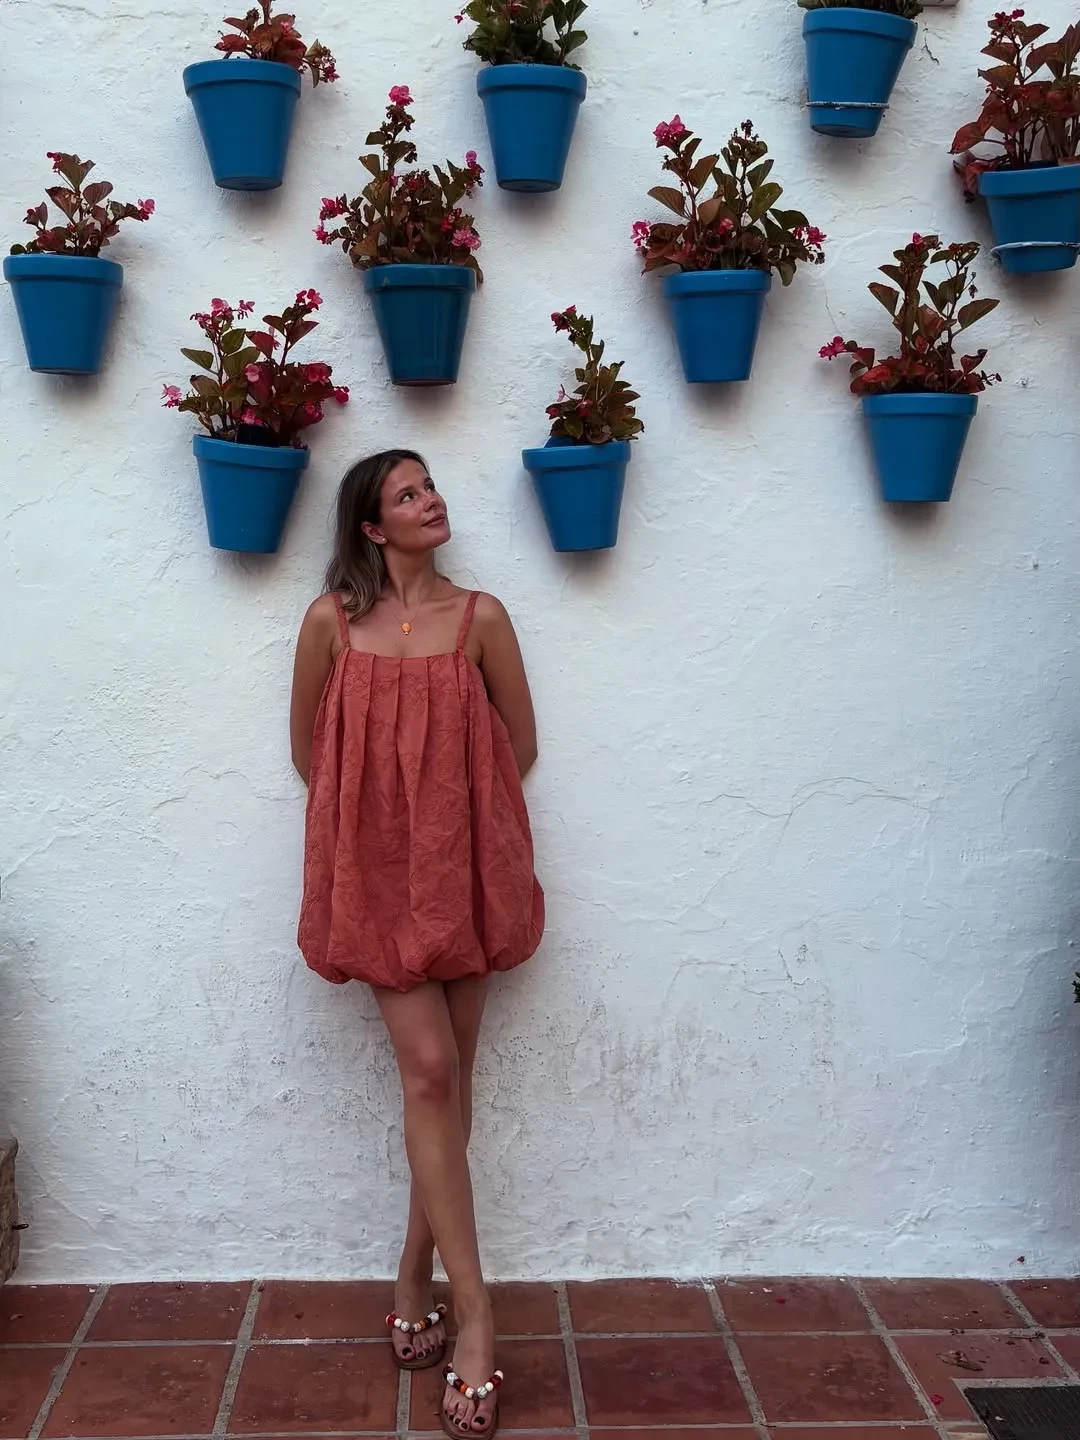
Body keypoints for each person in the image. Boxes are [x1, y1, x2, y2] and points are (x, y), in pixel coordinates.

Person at [290, 449, 544, 1438]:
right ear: (371, 526)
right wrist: (376, 838)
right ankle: (476, 1313)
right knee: (431, 1071)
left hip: (463, 870)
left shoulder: (481, 618)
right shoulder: (330, 623)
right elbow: (310, 752)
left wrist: (453, 828)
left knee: (448, 1082)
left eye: (430, 486)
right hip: (378, 879)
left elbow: (519, 744)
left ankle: (411, 1272)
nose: (431, 501)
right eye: (407, 494)